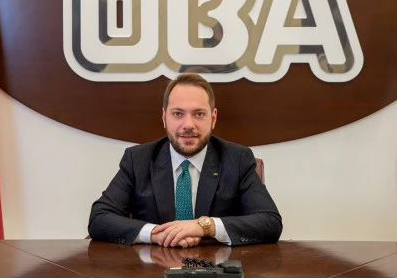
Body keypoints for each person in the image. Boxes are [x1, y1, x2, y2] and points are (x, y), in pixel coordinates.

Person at [88, 73, 283, 247]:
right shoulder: (138, 160)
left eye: (199, 114)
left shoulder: (237, 159)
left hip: (216, 269)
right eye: (178, 114)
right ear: (164, 117)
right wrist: (156, 234)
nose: (188, 124)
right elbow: (99, 218)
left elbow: (270, 221)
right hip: (153, 269)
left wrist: (203, 226)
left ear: (213, 118)